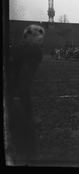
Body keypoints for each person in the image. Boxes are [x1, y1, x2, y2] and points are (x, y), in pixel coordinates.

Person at [7, 24, 45, 160]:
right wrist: (30, 114)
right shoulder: (34, 51)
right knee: (28, 142)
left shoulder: (15, 49)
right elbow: (23, 86)